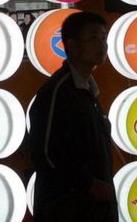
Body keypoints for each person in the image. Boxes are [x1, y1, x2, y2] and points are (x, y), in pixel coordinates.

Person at [28, 11, 117, 222]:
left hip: (94, 208)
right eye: (93, 38)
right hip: (68, 209)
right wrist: (88, 183)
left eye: (104, 37)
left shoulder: (88, 89)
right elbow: (46, 153)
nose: (102, 44)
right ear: (73, 46)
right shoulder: (57, 92)